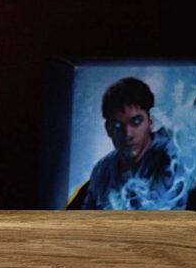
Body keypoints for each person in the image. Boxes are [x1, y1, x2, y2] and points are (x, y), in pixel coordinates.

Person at [79, 77, 186, 210]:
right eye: (118, 125)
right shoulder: (102, 170)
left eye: (136, 122)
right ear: (108, 128)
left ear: (150, 122)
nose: (127, 134)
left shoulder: (171, 154)